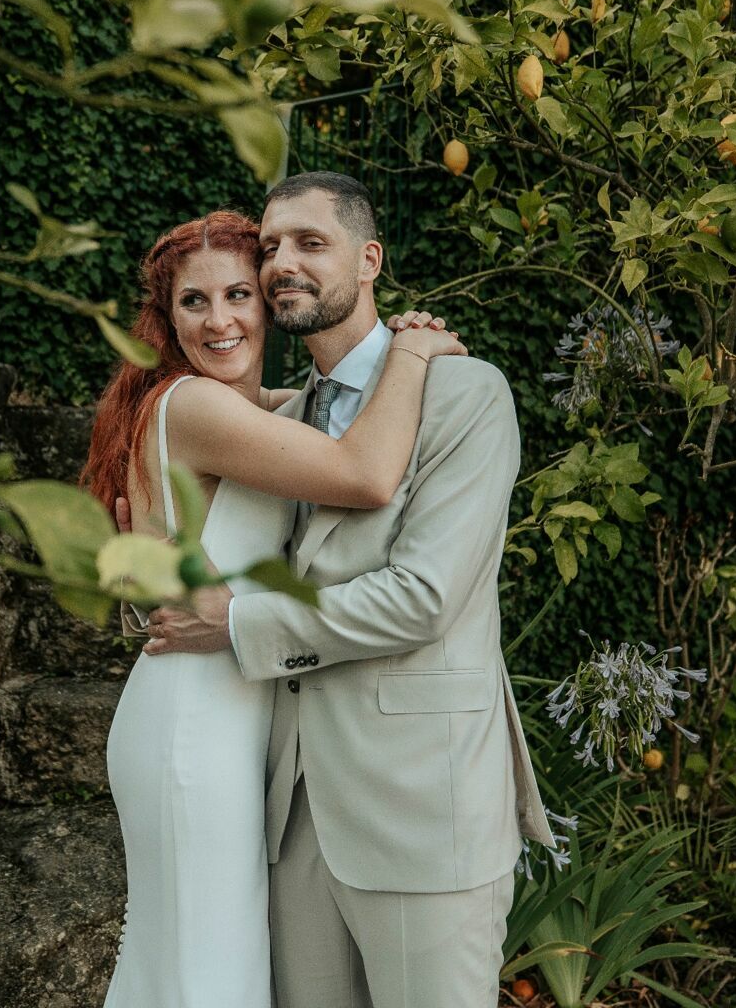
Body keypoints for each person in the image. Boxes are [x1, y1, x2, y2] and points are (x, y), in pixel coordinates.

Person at [142, 173, 554, 1008]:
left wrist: (239, 624)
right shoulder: (279, 423)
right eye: (270, 248)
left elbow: (423, 598)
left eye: (310, 243)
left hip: (421, 813)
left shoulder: (466, 395)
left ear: (370, 260)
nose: (282, 263)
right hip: (291, 822)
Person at [81, 206, 466, 1008]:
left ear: (267, 303)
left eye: (238, 296)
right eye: (194, 302)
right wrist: (414, 350)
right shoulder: (196, 406)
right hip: (196, 723)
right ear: (168, 317)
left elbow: (325, 416)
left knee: (200, 968)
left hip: (227, 710)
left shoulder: (263, 413)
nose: (220, 320)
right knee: (204, 975)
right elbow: (363, 474)